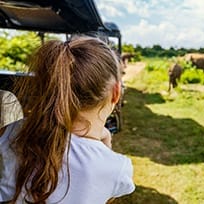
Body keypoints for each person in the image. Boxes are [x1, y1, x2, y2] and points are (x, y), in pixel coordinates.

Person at [0, 36, 135, 203]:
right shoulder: (117, 169)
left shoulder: (12, 131)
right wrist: (106, 143)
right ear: (116, 93)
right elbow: (104, 196)